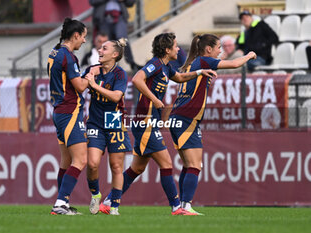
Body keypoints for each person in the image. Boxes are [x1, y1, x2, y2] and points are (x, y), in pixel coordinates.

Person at [99, 32, 217, 215]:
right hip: (144, 122)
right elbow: (137, 79)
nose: (178, 49)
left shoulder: (166, 67)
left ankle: (108, 202)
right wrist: (154, 99)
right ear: (167, 49)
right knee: (166, 163)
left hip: (148, 122)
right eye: (176, 46)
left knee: (137, 168)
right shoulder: (155, 64)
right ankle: (176, 207)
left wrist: (200, 72)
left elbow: (179, 78)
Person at [169, 34, 256, 214]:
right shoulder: (204, 62)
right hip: (187, 118)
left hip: (178, 117)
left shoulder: (192, 63)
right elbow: (233, 64)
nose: (220, 51)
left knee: (188, 164)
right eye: (218, 47)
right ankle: (185, 206)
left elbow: (220, 60)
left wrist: (220, 57)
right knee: (195, 165)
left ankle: (181, 207)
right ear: (208, 50)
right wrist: (248, 56)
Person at [47, 18, 96, 215]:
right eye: (83, 37)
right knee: (81, 160)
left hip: (59, 112)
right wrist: (89, 76)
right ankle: (60, 203)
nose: (84, 41)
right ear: (75, 35)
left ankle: (63, 202)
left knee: (66, 162)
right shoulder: (68, 56)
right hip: (70, 112)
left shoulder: (54, 51)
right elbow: (80, 86)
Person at [84, 38, 132, 216]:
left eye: (104, 48)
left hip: (114, 119)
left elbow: (116, 97)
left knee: (116, 166)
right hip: (95, 120)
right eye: (100, 47)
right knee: (92, 163)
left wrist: (94, 85)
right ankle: (96, 195)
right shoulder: (92, 70)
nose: (100, 50)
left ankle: (114, 207)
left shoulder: (120, 74)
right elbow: (81, 85)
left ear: (115, 54)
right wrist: (88, 75)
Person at [89, 0, 141, 71]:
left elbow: (131, 3)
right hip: (103, 18)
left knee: (122, 39)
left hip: (120, 17)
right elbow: (92, 2)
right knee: (104, 42)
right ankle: (103, 67)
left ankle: (131, 63)